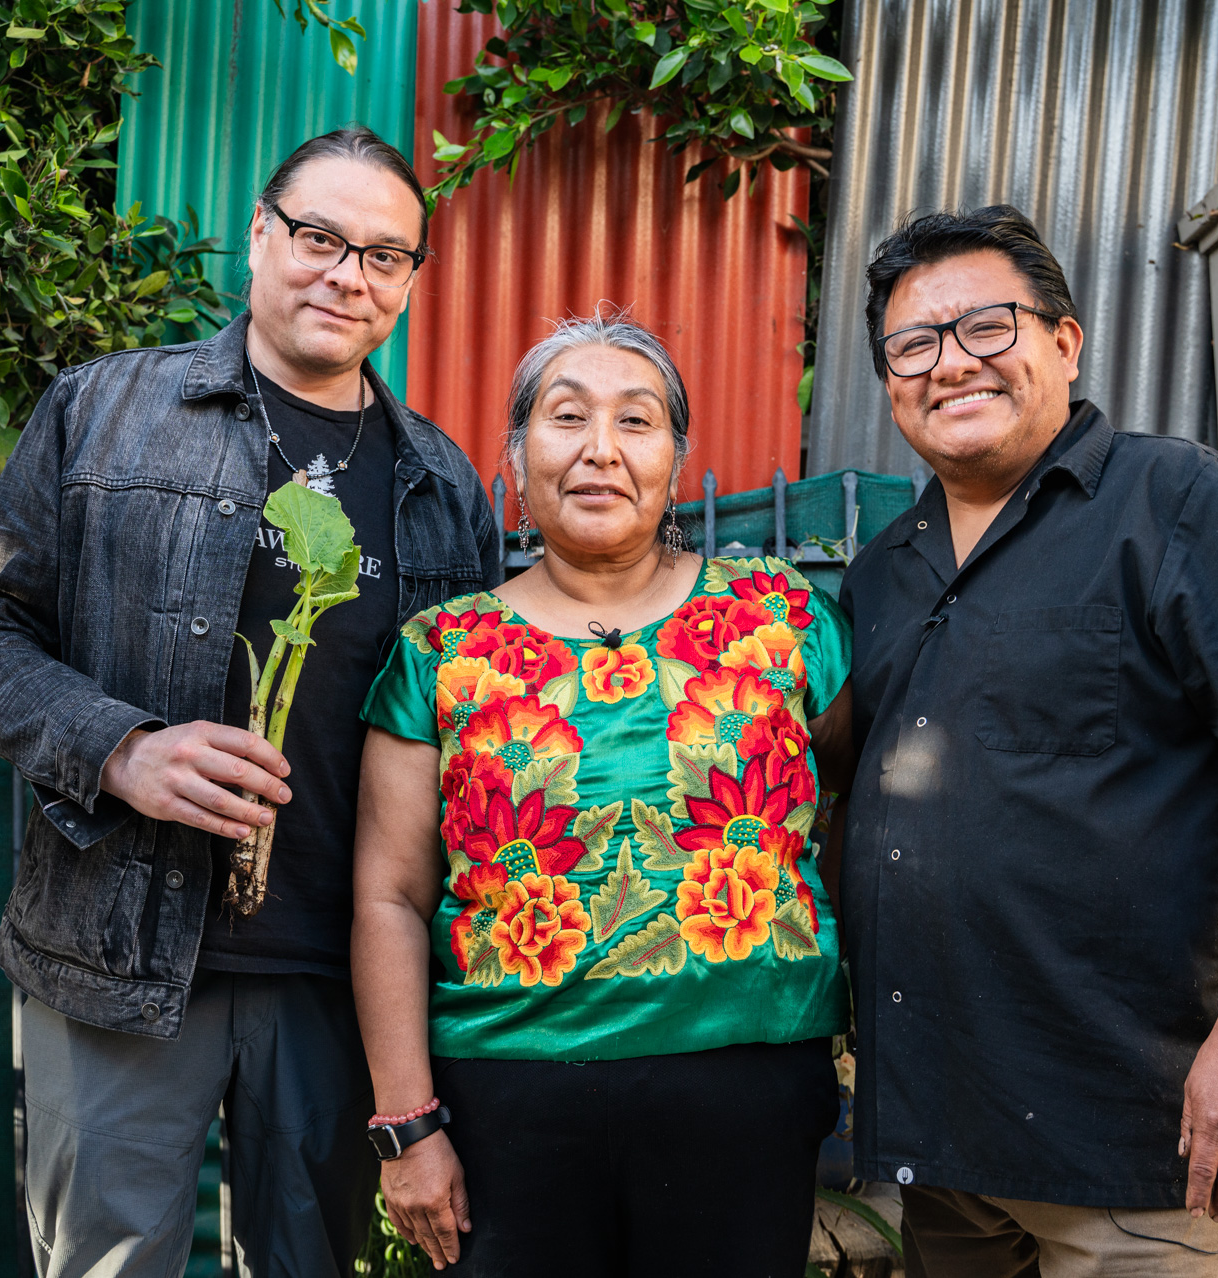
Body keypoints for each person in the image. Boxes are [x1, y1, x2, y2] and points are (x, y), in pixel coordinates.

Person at [0, 126, 502, 1277]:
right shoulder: (103, 410)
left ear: (411, 281)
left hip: (339, 980)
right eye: (320, 238)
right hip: (118, 950)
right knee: (109, 1261)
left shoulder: (442, 484)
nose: (348, 275)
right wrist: (120, 748)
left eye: (386, 256)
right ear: (257, 237)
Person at [835, 206, 1218, 1277]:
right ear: (890, 379)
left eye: (987, 327)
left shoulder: (1175, 500)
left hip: (1132, 1143)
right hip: (943, 1144)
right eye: (914, 343)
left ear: (1064, 342)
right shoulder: (883, 568)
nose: (950, 364)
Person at [351, 311, 852, 1277]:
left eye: (636, 421)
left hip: (747, 1085)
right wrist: (407, 1125)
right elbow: (390, 896)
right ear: (515, 456)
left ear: (675, 456)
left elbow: (849, 798)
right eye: (566, 417)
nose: (599, 452)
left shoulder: (781, 615)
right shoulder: (440, 652)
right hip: (507, 1096)